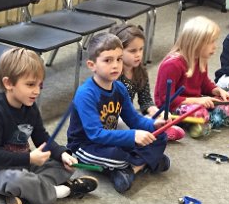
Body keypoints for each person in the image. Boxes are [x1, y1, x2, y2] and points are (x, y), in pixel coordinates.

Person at [0, 47, 98, 204]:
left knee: (65, 166)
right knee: (18, 180)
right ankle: (62, 190)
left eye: (40, 85)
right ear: (8, 83)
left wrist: (61, 154)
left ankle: (28, 193)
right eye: (30, 85)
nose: (37, 91)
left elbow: (42, 137)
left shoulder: (30, 107)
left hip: (24, 163)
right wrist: (29, 157)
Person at [67, 32, 170, 194]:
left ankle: (132, 169)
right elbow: (95, 134)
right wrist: (133, 136)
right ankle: (147, 161)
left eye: (119, 59)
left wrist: (154, 124)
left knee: (161, 136)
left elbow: (134, 120)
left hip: (110, 138)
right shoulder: (85, 94)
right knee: (117, 154)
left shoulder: (120, 88)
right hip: (86, 146)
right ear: (92, 65)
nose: (115, 65)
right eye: (108, 60)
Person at [154, 15, 229, 138]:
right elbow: (167, 99)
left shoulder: (200, 58)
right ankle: (214, 118)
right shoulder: (172, 65)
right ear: (196, 43)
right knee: (199, 111)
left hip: (197, 101)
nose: (215, 46)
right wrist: (199, 101)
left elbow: (204, 84)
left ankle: (208, 120)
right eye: (211, 42)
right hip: (172, 107)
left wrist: (218, 90)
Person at [112, 23, 185, 142]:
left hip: (130, 115)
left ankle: (156, 131)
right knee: (123, 123)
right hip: (114, 117)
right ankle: (155, 133)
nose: (138, 54)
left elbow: (145, 100)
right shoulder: (113, 75)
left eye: (141, 49)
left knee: (152, 118)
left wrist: (155, 111)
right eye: (132, 51)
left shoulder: (141, 72)